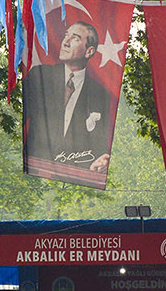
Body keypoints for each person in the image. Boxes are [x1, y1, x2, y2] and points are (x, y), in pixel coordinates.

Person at [22, 20, 113, 175]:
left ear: (89, 51)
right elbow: (19, 118)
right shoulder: (40, 76)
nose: (65, 42)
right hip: (35, 170)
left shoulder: (100, 93)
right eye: (66, 35)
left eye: (75, 38)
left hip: (72, 175)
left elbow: (99, 140)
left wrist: (101, 159)